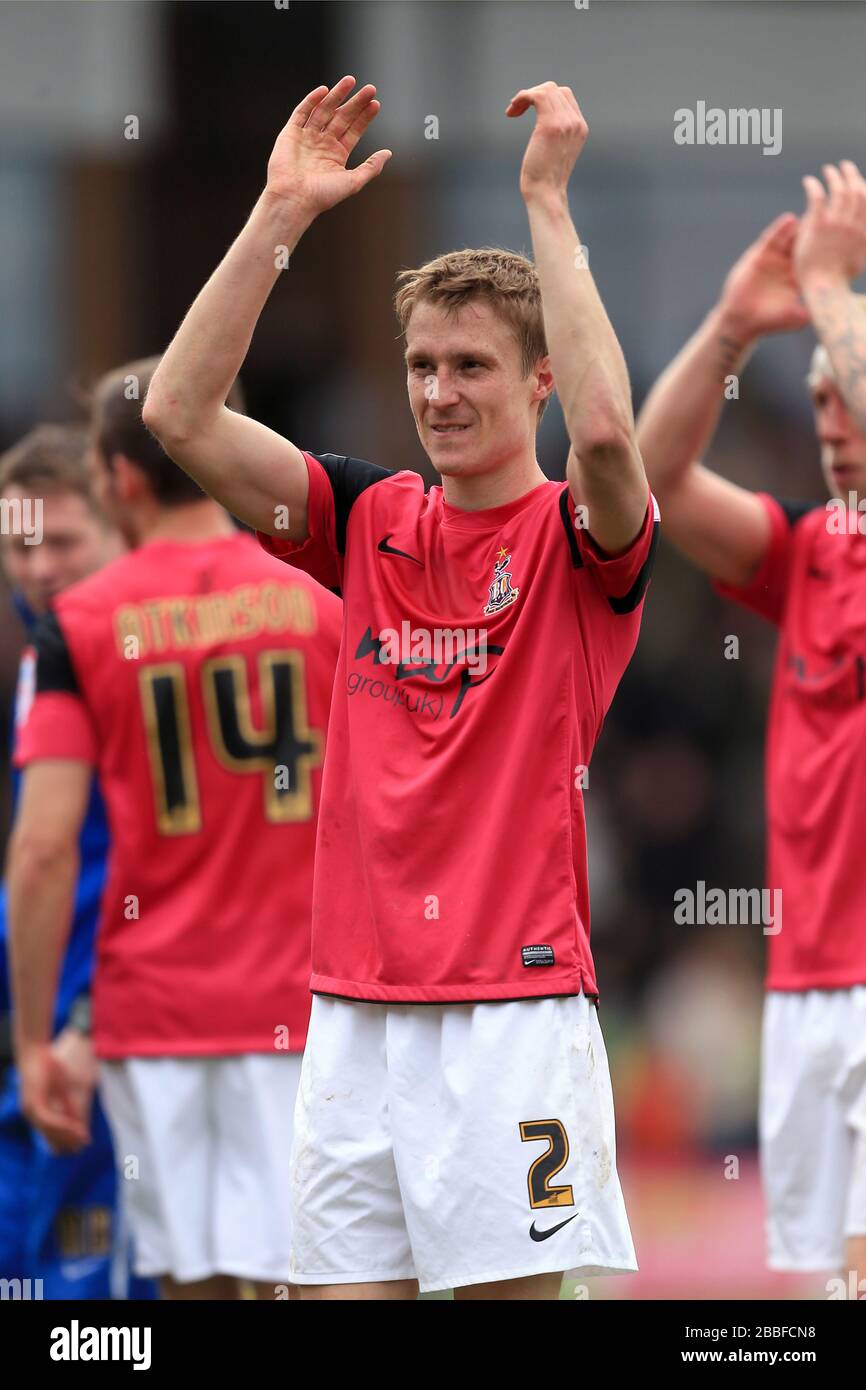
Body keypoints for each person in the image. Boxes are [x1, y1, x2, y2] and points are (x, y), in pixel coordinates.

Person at [143, 77, 659, 1302]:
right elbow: (176, 411)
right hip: (352, 1013)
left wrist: (546, 201)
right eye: (421, 364)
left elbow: (603, 436)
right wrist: (278, 215)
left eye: (471, 364)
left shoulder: (582, 544)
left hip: (512, 1016)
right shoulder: (365, 516)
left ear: (532, 381)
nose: (437, 392)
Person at [9, 359, 342, 1299]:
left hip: (153, 1015)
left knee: (185, 1288)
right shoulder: (325, 601)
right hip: (304, 1006)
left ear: (115, 482)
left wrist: (36, 1041)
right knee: (300, 1279)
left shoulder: (78, 624)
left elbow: (40, 848)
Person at [636, 161, 866, 1287]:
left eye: (845, 395)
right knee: (824, 1287)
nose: (829, 422)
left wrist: (830, 290)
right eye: (813, 398)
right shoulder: (812, 552)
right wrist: (732, 325)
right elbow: (653, 477)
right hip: (809, 983)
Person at [0, 423, 156, 1298]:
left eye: (61, 541)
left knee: (99, 1303)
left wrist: (88, 1021)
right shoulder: (44, 657)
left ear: (117, 529)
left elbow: (82, 855)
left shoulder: (133, 654)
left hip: (110, 1034)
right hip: (50, 1028)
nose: (36, 566)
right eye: (18, 544)